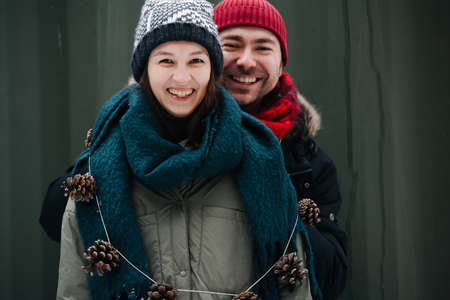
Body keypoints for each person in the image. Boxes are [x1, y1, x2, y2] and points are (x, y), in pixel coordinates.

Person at [56, 0, 315, 299]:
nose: (182, 77)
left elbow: (292, 286)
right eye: (166, 61)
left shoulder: (262, 160)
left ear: (212, 70)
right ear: (145, 70)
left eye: (196, 61)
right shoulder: (98, 172)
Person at [212, 1, 348, 299]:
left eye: (263, 48)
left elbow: (331, 276)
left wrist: (273, 191)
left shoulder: (309, 162)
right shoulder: (162, 141)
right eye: (231, 45)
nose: (246, 61)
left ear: (281, 62)